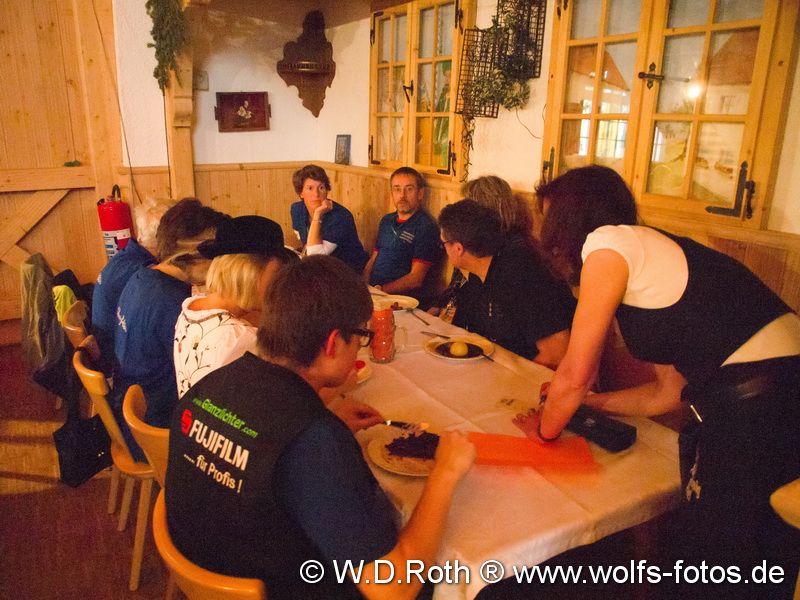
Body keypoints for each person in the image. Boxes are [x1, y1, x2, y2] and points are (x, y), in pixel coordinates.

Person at [529, 165, 800, 599]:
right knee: (738, 550)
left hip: (761, 398)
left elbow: (574, 374)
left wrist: (543, 434)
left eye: (548, 218)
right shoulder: (644, 257)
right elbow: (667, 394)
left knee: (728, 555)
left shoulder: (608, 244)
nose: (548, 238)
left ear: (569, 218)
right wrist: (592, 404)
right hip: (770, 392)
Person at [166, 255, 476, 600]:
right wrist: (445, 472)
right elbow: (394, 588)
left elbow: (264, 451)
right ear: (332, 343)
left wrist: (327, 433)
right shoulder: (312, 439)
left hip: (211, 573)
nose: (361, 348)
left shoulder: (211, 384)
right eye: (361, 336)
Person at [112, 198, 229, 461]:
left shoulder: (142, 277)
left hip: (130, 416)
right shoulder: (173, 303)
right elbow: (213, 374)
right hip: (157, 434)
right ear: (194, 253)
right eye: (217, 255)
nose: (220, 264)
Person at [437, 199, 575, 367]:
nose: (444, 249)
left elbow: (556, 353)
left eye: (443, 244)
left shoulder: (522, 274)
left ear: (458, 248)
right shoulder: (478, 272)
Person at [173, 215, 298, 397]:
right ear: (250, 273)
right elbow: (285, 400)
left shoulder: (191, 308)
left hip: (191, 414)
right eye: (276, 274)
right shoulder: (238, 339)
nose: (278, 285)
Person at [430, 175, 535, 318]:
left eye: (466, 207)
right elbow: (456, 286)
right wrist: (435, 310)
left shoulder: (512, 254)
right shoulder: (471, 240)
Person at [91, 199, 174, 367]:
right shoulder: (141, 271)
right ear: (167, 238)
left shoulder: (128, 254)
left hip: (114, 349)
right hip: (116, 362)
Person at [363, 167, 441, 305]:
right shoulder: (386, 220)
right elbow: (373, 259)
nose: (402, 195)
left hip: (402, 301)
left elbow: (415, 279)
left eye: (409, 189)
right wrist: (363, 286)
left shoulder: (425, 227)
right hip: (374, 294)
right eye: (397, 189)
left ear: (420, 193)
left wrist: (379, 291)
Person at [289, 164, 369, 272]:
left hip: (347, 271)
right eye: (310, 188)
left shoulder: (341, 216)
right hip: (323, 269)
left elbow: (316, 255)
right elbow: (305, 242)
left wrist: (317, 215)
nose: (316, 194)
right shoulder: (297, 210)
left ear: (327, 191)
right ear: (301, 193)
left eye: (321, 187)